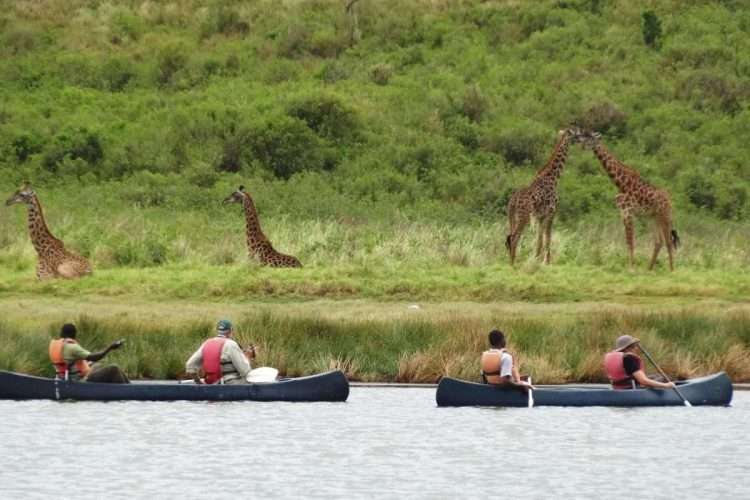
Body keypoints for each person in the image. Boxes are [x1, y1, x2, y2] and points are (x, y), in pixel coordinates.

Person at [49, 323, 129, 383]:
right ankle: (128, 390)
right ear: (74, 334)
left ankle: (129, 387)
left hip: (65, 378)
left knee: (98, 366)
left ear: (61, 333)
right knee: (114, 369)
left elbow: (72, 362)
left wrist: (89, 364)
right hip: (80, 380)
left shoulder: (55, 345)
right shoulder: (72, 347)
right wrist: (110, 347)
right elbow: (95, 357)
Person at [185, 320, 256, 384]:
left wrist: (199, 382)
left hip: (210, 383)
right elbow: (245, 372)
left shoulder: (206, 343)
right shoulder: (231, 344)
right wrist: (248, 358)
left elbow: (190, 365)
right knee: (253, 379)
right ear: (231, 330)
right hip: (230, 383)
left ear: (217, 331)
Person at [603, 335, 676, 390]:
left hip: (618, 387)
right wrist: (666, 385)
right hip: (632, 387)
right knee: (666, 378)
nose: (636, 348)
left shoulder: (613, 356)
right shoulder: (629, 359)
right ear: (629, 347)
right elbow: (643, 381)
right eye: (634, 346)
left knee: (656, 376)